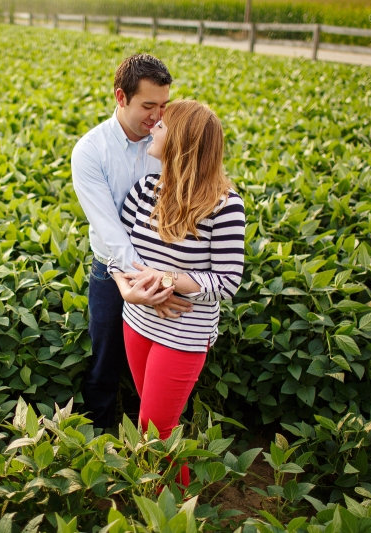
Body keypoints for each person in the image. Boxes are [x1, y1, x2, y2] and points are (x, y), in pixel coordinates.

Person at [107, 100, 245, 486]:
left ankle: (175, 507)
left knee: (155, 429)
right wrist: (132, 289)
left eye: (162, 127)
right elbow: (118, 254)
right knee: (152, 425)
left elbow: (227, 281)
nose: (153, 128)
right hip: (137, 322)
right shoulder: (143, 191)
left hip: (183, 333)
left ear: (181, 142)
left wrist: (167, 278)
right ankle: (157, 498)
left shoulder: (225, 206)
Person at [71, 54, 194, 431]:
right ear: (120, 97)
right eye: (148, 105)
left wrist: (162, 281)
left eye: (164, 105)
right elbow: (109, 231)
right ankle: (98, 438)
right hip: (112, 273)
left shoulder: (170, 139)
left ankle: (168, 437)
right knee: (105, 359)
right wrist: (146, 283)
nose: (158, 116)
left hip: (170, 272)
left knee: (167, 358)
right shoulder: (91, 151)